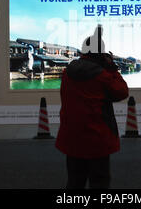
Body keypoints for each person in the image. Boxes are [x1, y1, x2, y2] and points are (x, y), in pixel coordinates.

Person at [55, 25, 129, 189]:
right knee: (99, 183)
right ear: (100, 54)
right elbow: (122, 92)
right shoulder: (103, 75)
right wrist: (112, 68)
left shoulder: (68, 73)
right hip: (97, 138)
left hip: (72, 137)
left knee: (74, 182)